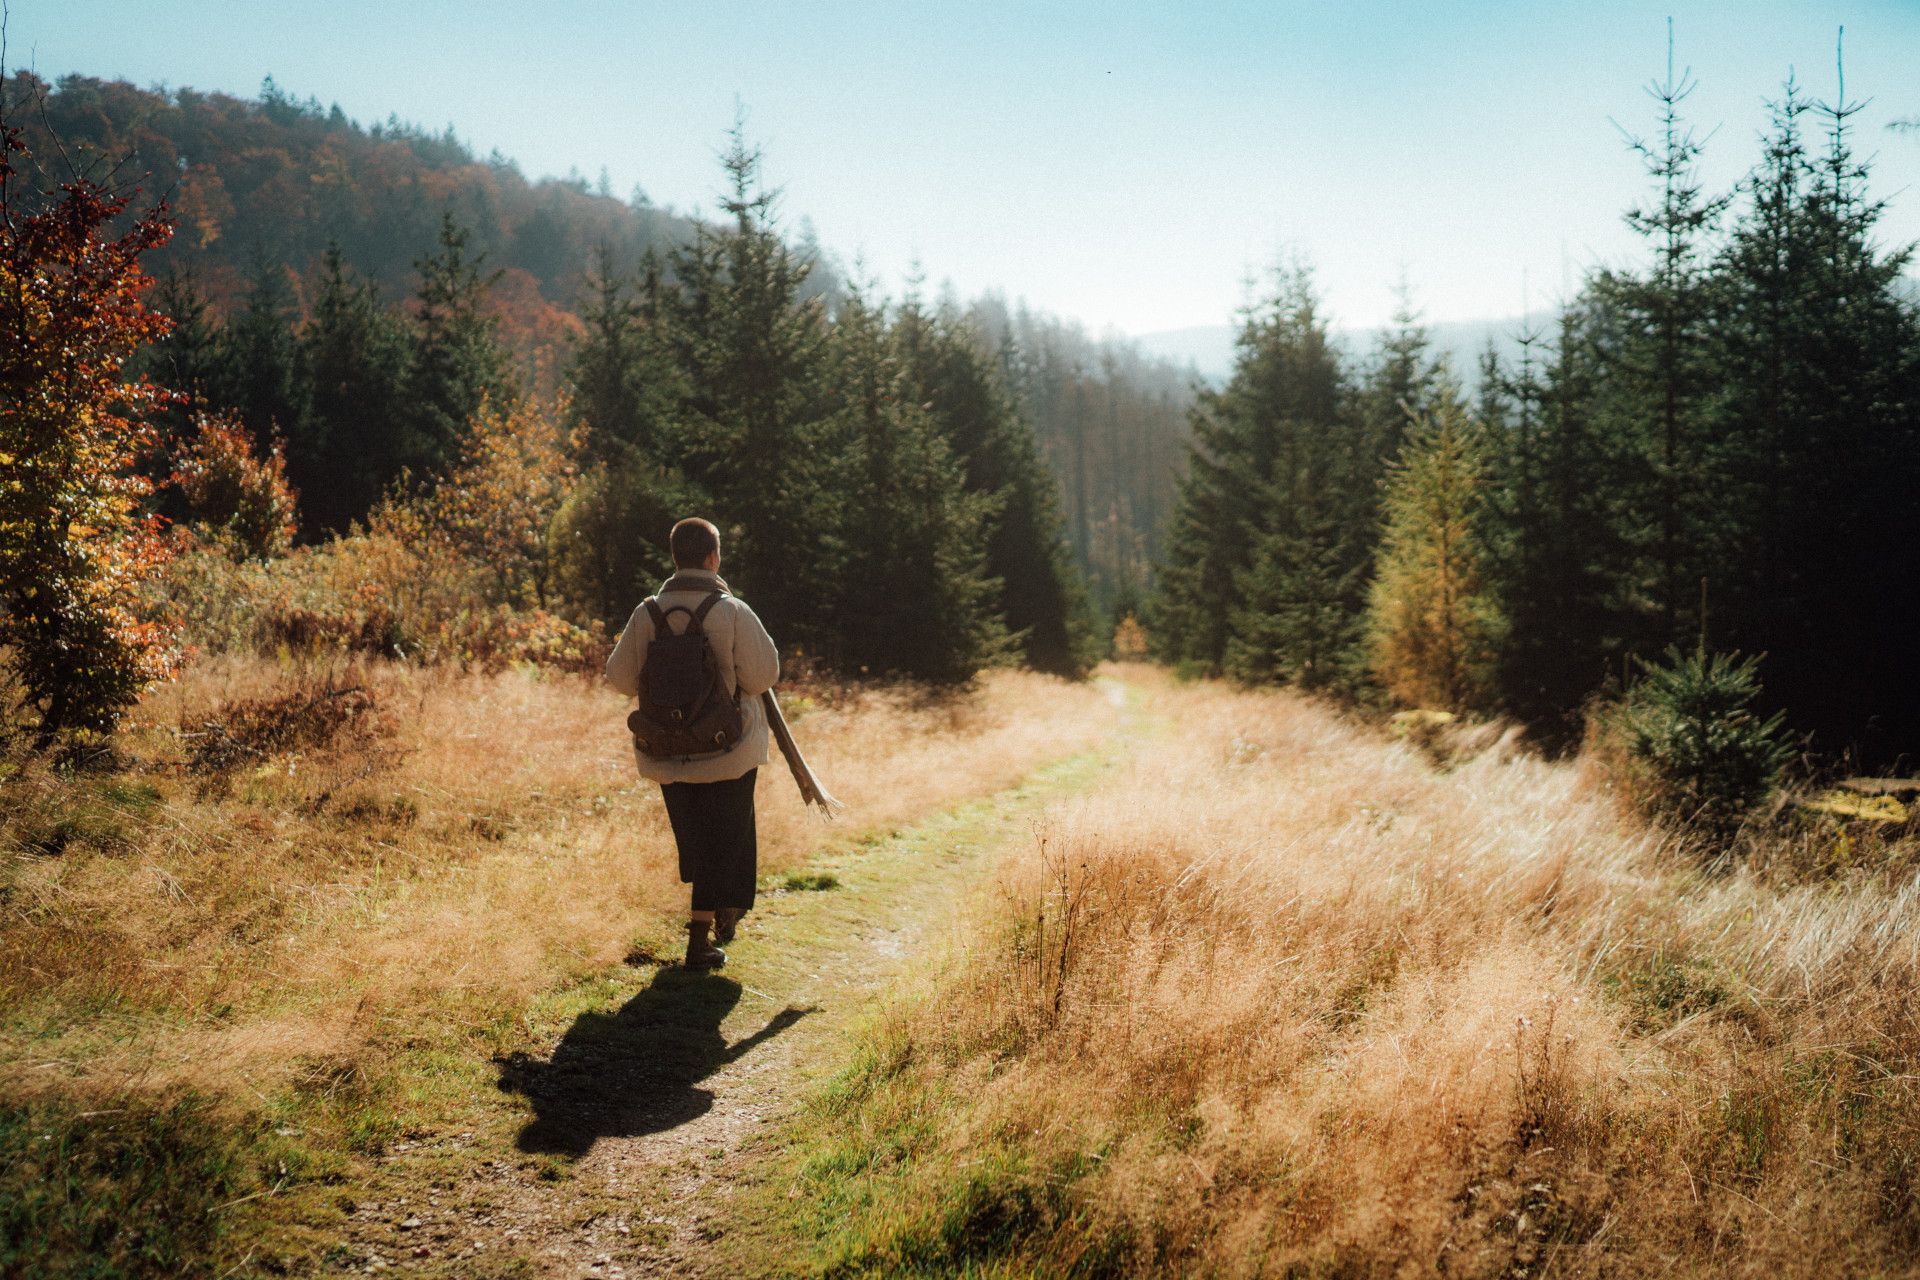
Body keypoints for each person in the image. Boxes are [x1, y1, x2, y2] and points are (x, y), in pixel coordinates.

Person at [604, 518, 780, 971]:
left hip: (666, 750)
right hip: (727, 749)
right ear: (712, 558)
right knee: (725, 840)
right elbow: (763, 677)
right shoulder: (733, 610)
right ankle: (702, 940)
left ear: (674, 557)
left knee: (698, 843)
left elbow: (619, 678)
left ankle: (714, 916)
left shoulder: (646, 613)